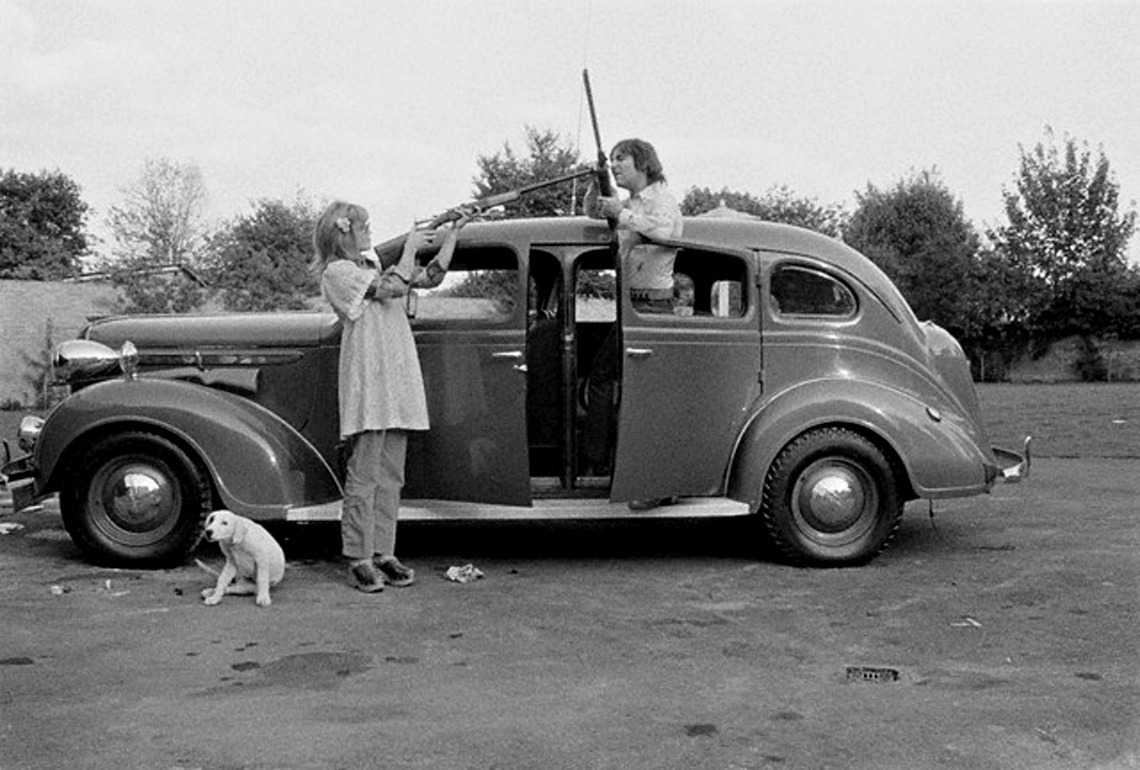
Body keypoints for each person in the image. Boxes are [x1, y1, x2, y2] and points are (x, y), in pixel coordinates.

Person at [315, 201, 465, 593]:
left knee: (390, 475)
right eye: (362, 226)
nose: (368, 231)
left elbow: (430, 278)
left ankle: (384, 551)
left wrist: (452, 236)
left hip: (395, 382)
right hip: (368, 384)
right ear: (343, 232)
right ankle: (359, 557)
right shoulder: (339, 272)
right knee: (363, 475)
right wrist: (412, 245)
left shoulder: (374, 268)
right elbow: (393, 288)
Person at [582, 138, 683, 481]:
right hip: (631, 306)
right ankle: (600, 462)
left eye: (619, 160)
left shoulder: (662, 201)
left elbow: (664, 233)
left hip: (653, 307)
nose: (615, 166)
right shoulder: (631, 203)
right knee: (603, 378)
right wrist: (598, 181)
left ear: (641, 162)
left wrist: (622, 214)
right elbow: (593, 211)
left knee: (646, 395)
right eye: (611, 161)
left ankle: (646, 475)